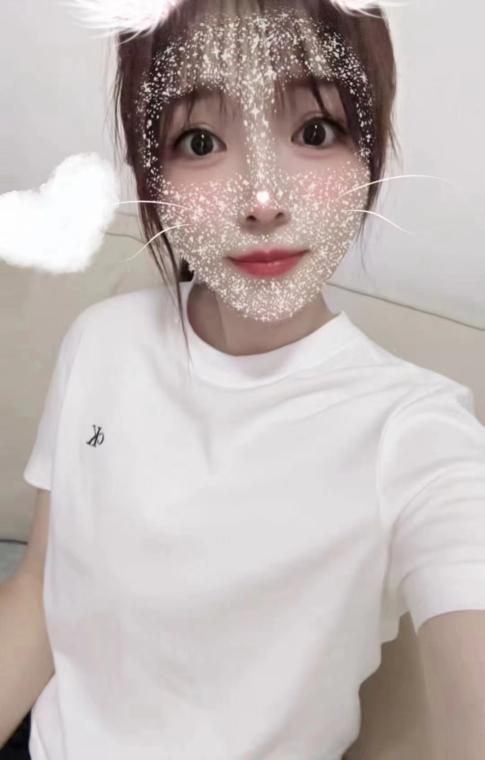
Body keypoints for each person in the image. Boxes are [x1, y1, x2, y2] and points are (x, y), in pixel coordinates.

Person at [14, 0, 485, 758]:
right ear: (152, 166)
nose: (262, 202)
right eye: (200, 141)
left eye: (315, 131)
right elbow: (39, 596)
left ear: (368, 149)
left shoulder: (415, 433)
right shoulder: (102, 341)